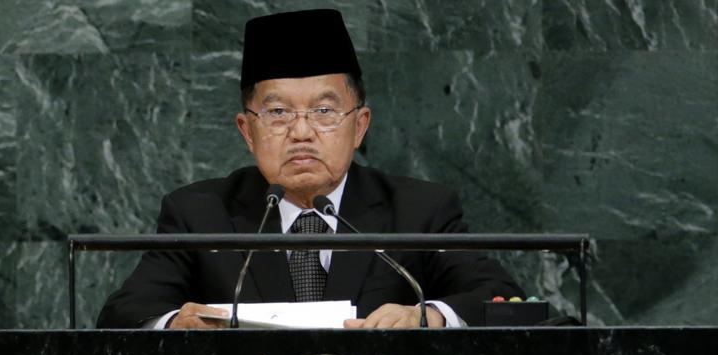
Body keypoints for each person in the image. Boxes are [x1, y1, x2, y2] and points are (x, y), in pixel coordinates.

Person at [97, 9, 523, 330]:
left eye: (323, 111)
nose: (301, 132)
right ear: (247, 131)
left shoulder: (420, 210)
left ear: (360, 126)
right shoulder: (198, 214)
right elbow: (123, 312)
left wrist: (428, 315)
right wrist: (175, 323)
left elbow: (502, 298)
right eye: (278, 113)